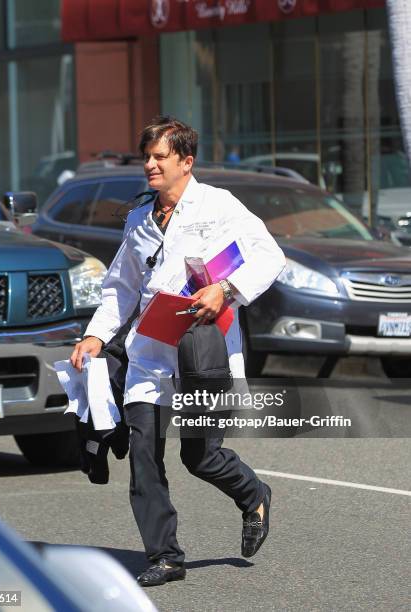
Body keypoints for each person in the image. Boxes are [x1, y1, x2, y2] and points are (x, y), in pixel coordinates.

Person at [70, 116, 286, 587]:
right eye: (146, 156)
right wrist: (96, 335)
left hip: (202, 352)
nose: (149, 164)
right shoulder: (139, 218)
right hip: (149, 352)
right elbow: (120, 288)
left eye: (159, 157)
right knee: (144, 455)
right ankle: (165, 556)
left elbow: (270, 256)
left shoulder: (219, 206)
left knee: (201, 457)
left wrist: (226, 289)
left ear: (186, 162)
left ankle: (254, 495)